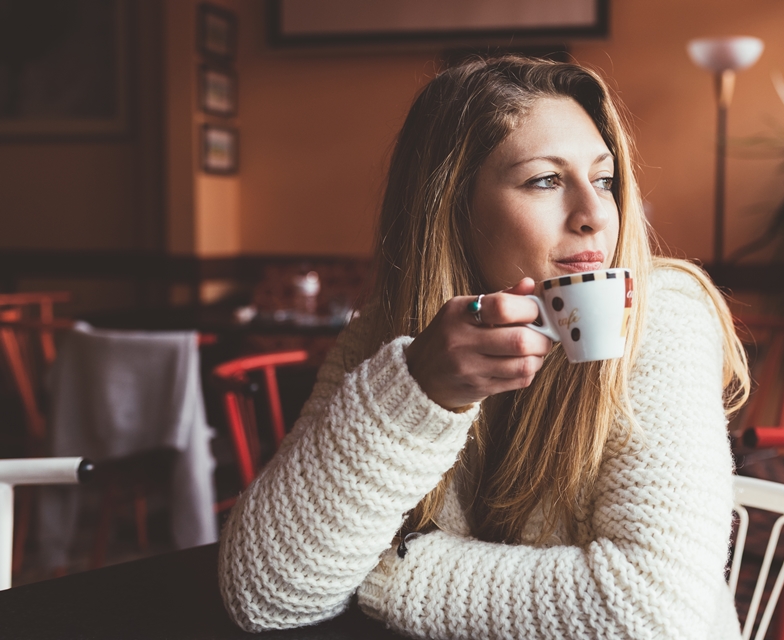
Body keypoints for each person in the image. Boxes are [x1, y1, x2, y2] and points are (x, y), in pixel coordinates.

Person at [218, 56, 750, 639]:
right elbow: (264, 592)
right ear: (453, 207)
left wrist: (388, 571)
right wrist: (418, 392)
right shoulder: (391, 333)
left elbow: (653, 613)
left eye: (604, 179)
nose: (596, 214)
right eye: (545, 180)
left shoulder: (660, 312)